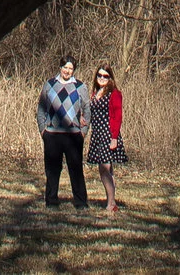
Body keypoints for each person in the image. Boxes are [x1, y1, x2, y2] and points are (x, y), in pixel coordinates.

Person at [35, 56, 89, 207]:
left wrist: (83, 132)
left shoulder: (80, 87)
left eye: (70, 68)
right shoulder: (50, 84)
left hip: (73, 136)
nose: (67, 71)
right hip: (52, 134)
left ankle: (81, 203)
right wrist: (43, 130)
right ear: (60, 67)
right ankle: (51, 201)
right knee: (52, 170)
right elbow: (41, 109)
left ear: (74, 70)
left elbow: (87, 109)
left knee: (76, 169)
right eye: (65, 67)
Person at [86, 63, 128, 213]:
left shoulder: (114, 93)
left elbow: (118, 117)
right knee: (105, 170)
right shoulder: (95, 93)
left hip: (108, 135)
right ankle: (111, 201)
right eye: (99, 75)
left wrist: (114, 138)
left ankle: (111, 204)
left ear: (110, 78)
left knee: (105, 169)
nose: (102, 78)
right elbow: (90, 114)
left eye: (105, 76)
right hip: (97, 135)